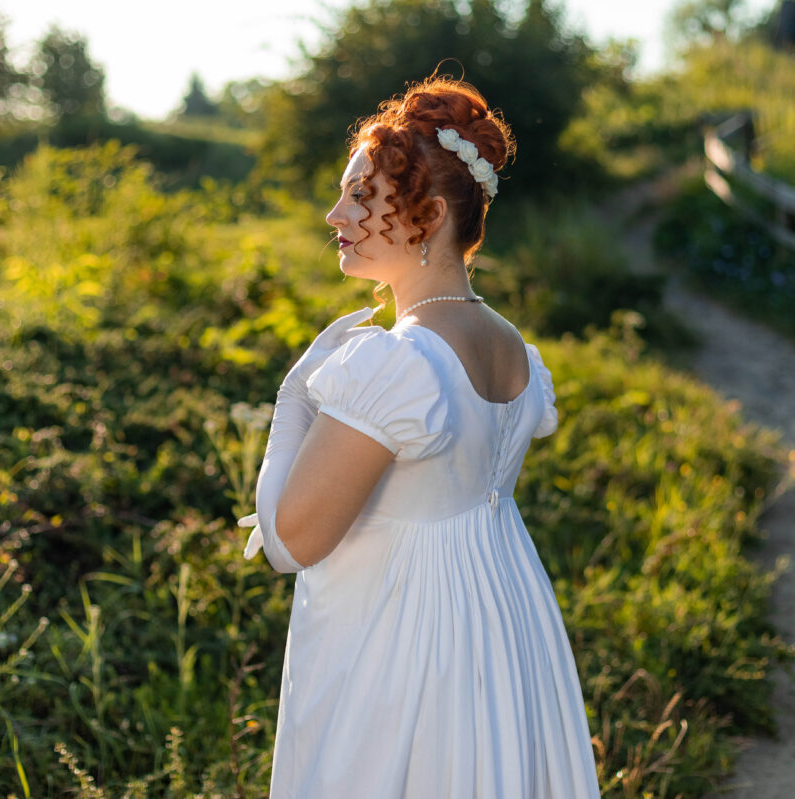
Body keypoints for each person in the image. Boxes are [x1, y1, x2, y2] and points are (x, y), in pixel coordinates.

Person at [238, 76, 601, 798]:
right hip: (501, 628)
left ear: (430, 214)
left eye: (361, 197)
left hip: (403, 648)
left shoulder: (397, 365)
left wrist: (293, 399)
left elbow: (291, 540)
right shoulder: (515, 350)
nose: (335, 212)